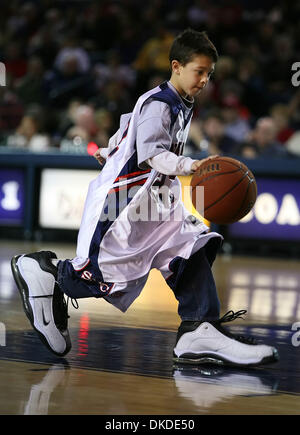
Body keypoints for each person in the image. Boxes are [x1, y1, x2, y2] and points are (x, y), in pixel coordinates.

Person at [11, 29, 278, 367]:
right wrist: (190, 165)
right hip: (123, 203)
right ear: (177, 66)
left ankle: (199, 328)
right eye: (199, 71)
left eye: (209, 74)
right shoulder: (159, 103)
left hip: (157, 201)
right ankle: (48, 272)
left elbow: (128, 125)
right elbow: (153, 153)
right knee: (101, 277)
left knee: (191, 247)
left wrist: (112, 148)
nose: (205, 80)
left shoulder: (179, 101)